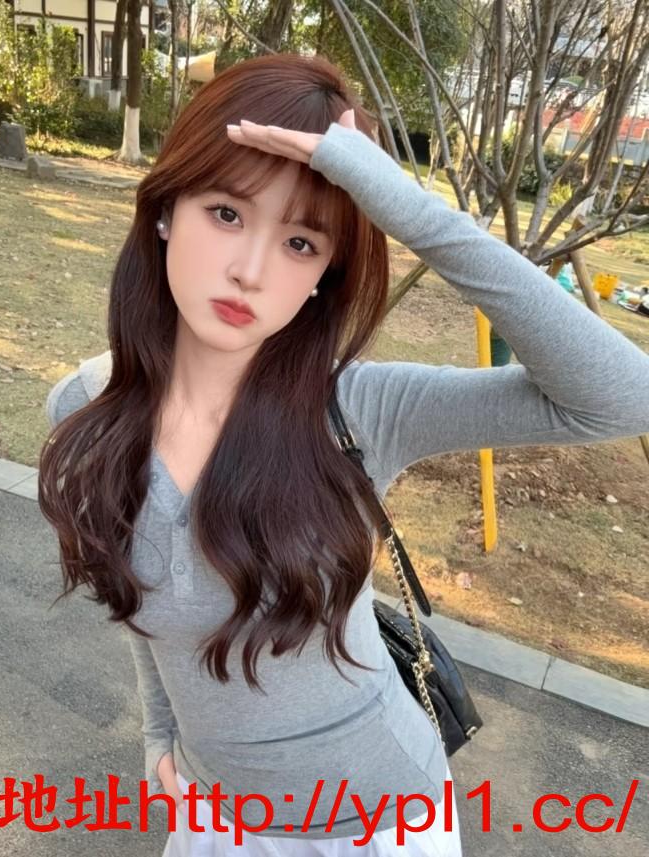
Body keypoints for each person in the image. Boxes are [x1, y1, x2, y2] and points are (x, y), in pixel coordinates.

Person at [39, 53, 649, 855]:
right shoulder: (86, 414)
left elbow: (621, 396)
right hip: (216, 817)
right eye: (225, 213)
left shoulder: (357, 409)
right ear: (165, 211)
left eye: (300, 241)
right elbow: (142, 601)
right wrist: (161, 732)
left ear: (325, 272)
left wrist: (407, 208)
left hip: (382, 820)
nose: (250, 270)